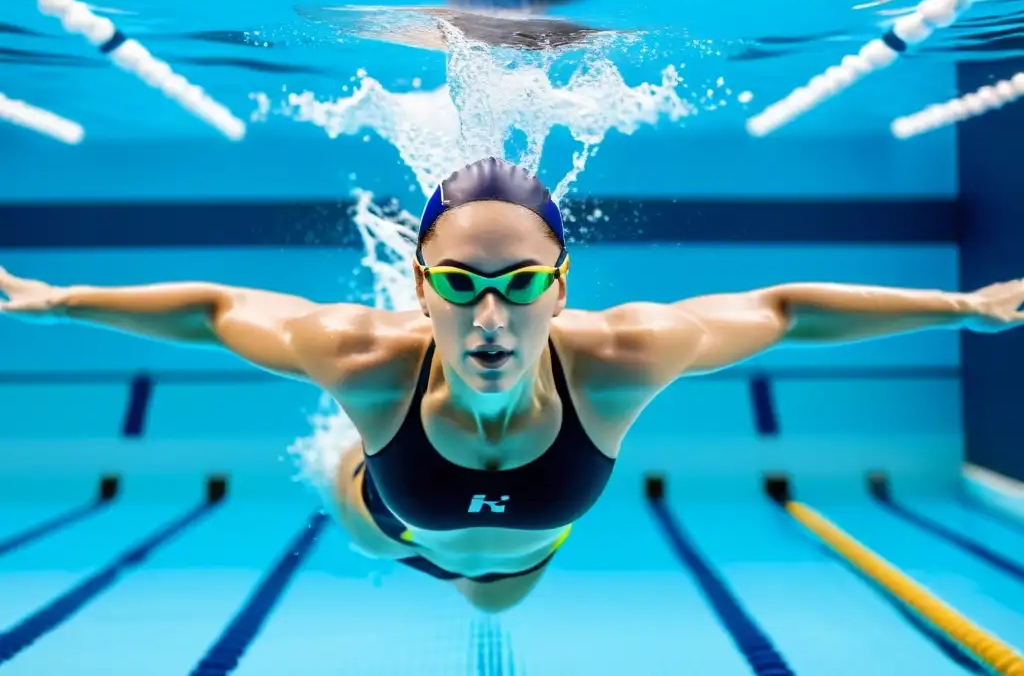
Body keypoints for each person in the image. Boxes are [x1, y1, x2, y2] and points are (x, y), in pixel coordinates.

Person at [2, 156, 1022, 613]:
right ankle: (349, 466)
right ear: (420, 283)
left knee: (493, 606)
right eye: (458, 284)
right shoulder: (367, 355)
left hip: (527, 546)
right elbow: (217, 312)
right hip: (388, 512)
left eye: (520, 284)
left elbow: (789, 309)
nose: (490, 319)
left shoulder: (620, 358)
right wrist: (51, 301)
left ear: (560, 285)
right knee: (352, 493)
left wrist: (965, 308)